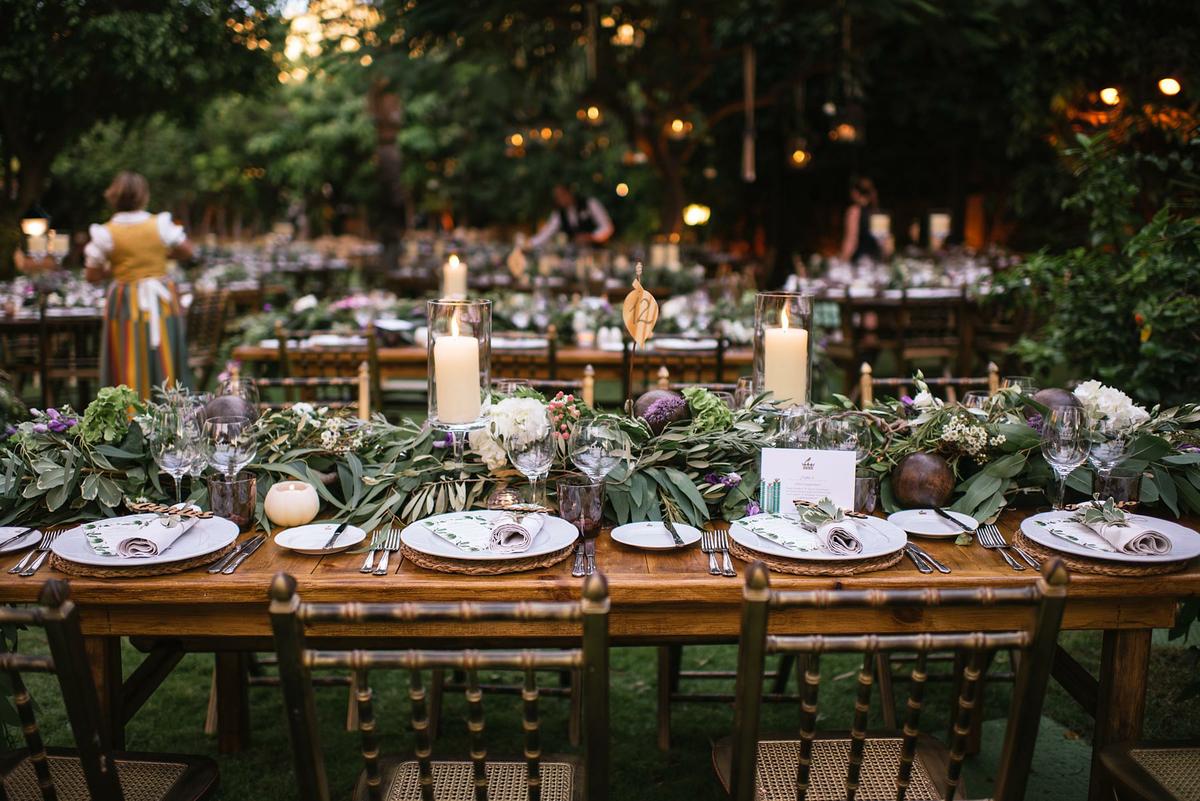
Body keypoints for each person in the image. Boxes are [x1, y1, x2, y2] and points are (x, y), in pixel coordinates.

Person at [84, 172, 194, 398]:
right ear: (144, 196)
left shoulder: (107, 232)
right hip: (160, 297)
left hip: (125, 299)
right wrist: (160, 256)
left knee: (127, 354)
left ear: (113, 197)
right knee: (163, 352)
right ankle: (170, 409)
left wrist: (116, 267)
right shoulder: (159, 225)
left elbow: (92, 274)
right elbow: (187, 250)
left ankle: (129, 410)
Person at [529, 184, 614, 248]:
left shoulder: (589, 203)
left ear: (569, 192)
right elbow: (546, 233)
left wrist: (592, 237)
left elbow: (607, 227)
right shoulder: (559, 214)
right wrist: (530, 244)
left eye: (562, 195)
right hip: (576, 254)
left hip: (598, 251)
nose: (560, 199)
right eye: (557, 197)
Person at [839, 177, 884, 263]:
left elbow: (851, 241)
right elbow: (883, 245)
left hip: (859, 262)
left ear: (854, 193)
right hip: (875, 262)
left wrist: (841, 260)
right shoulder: (878, 213)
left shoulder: (854, 211)